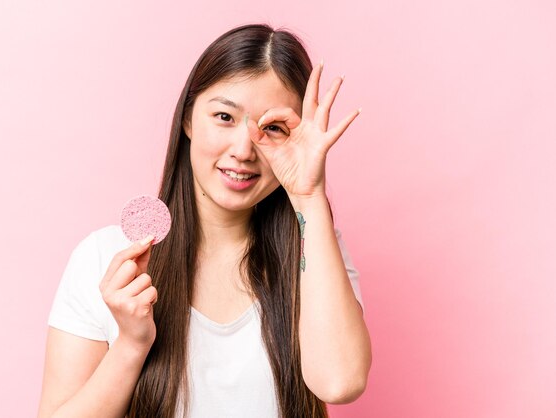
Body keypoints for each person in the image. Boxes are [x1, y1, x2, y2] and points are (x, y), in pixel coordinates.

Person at [37, 23, 372, 418]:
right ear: (189, 120)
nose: (244, 150)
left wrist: (309, 196)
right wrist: (131, 344)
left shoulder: (314, 248)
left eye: (273, 128)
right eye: (225, 116)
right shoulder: (107, 258)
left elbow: (340, 383)